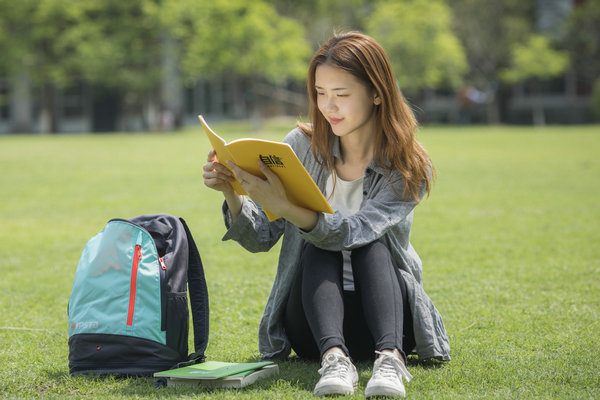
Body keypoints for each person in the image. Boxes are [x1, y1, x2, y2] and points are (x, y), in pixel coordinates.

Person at [202, 31, 450, 398]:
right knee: (314, 246)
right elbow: (261, 238)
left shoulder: (408, 166)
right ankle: (335, 360)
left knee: (368, 246)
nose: (328, 106)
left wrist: (287, 205)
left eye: (341, 95)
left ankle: (390, 360)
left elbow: (353, 231)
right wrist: (232, 191)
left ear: (377, 93)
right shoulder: (300, 146)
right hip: (314, 325)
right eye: (320, 93)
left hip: (389, 318)